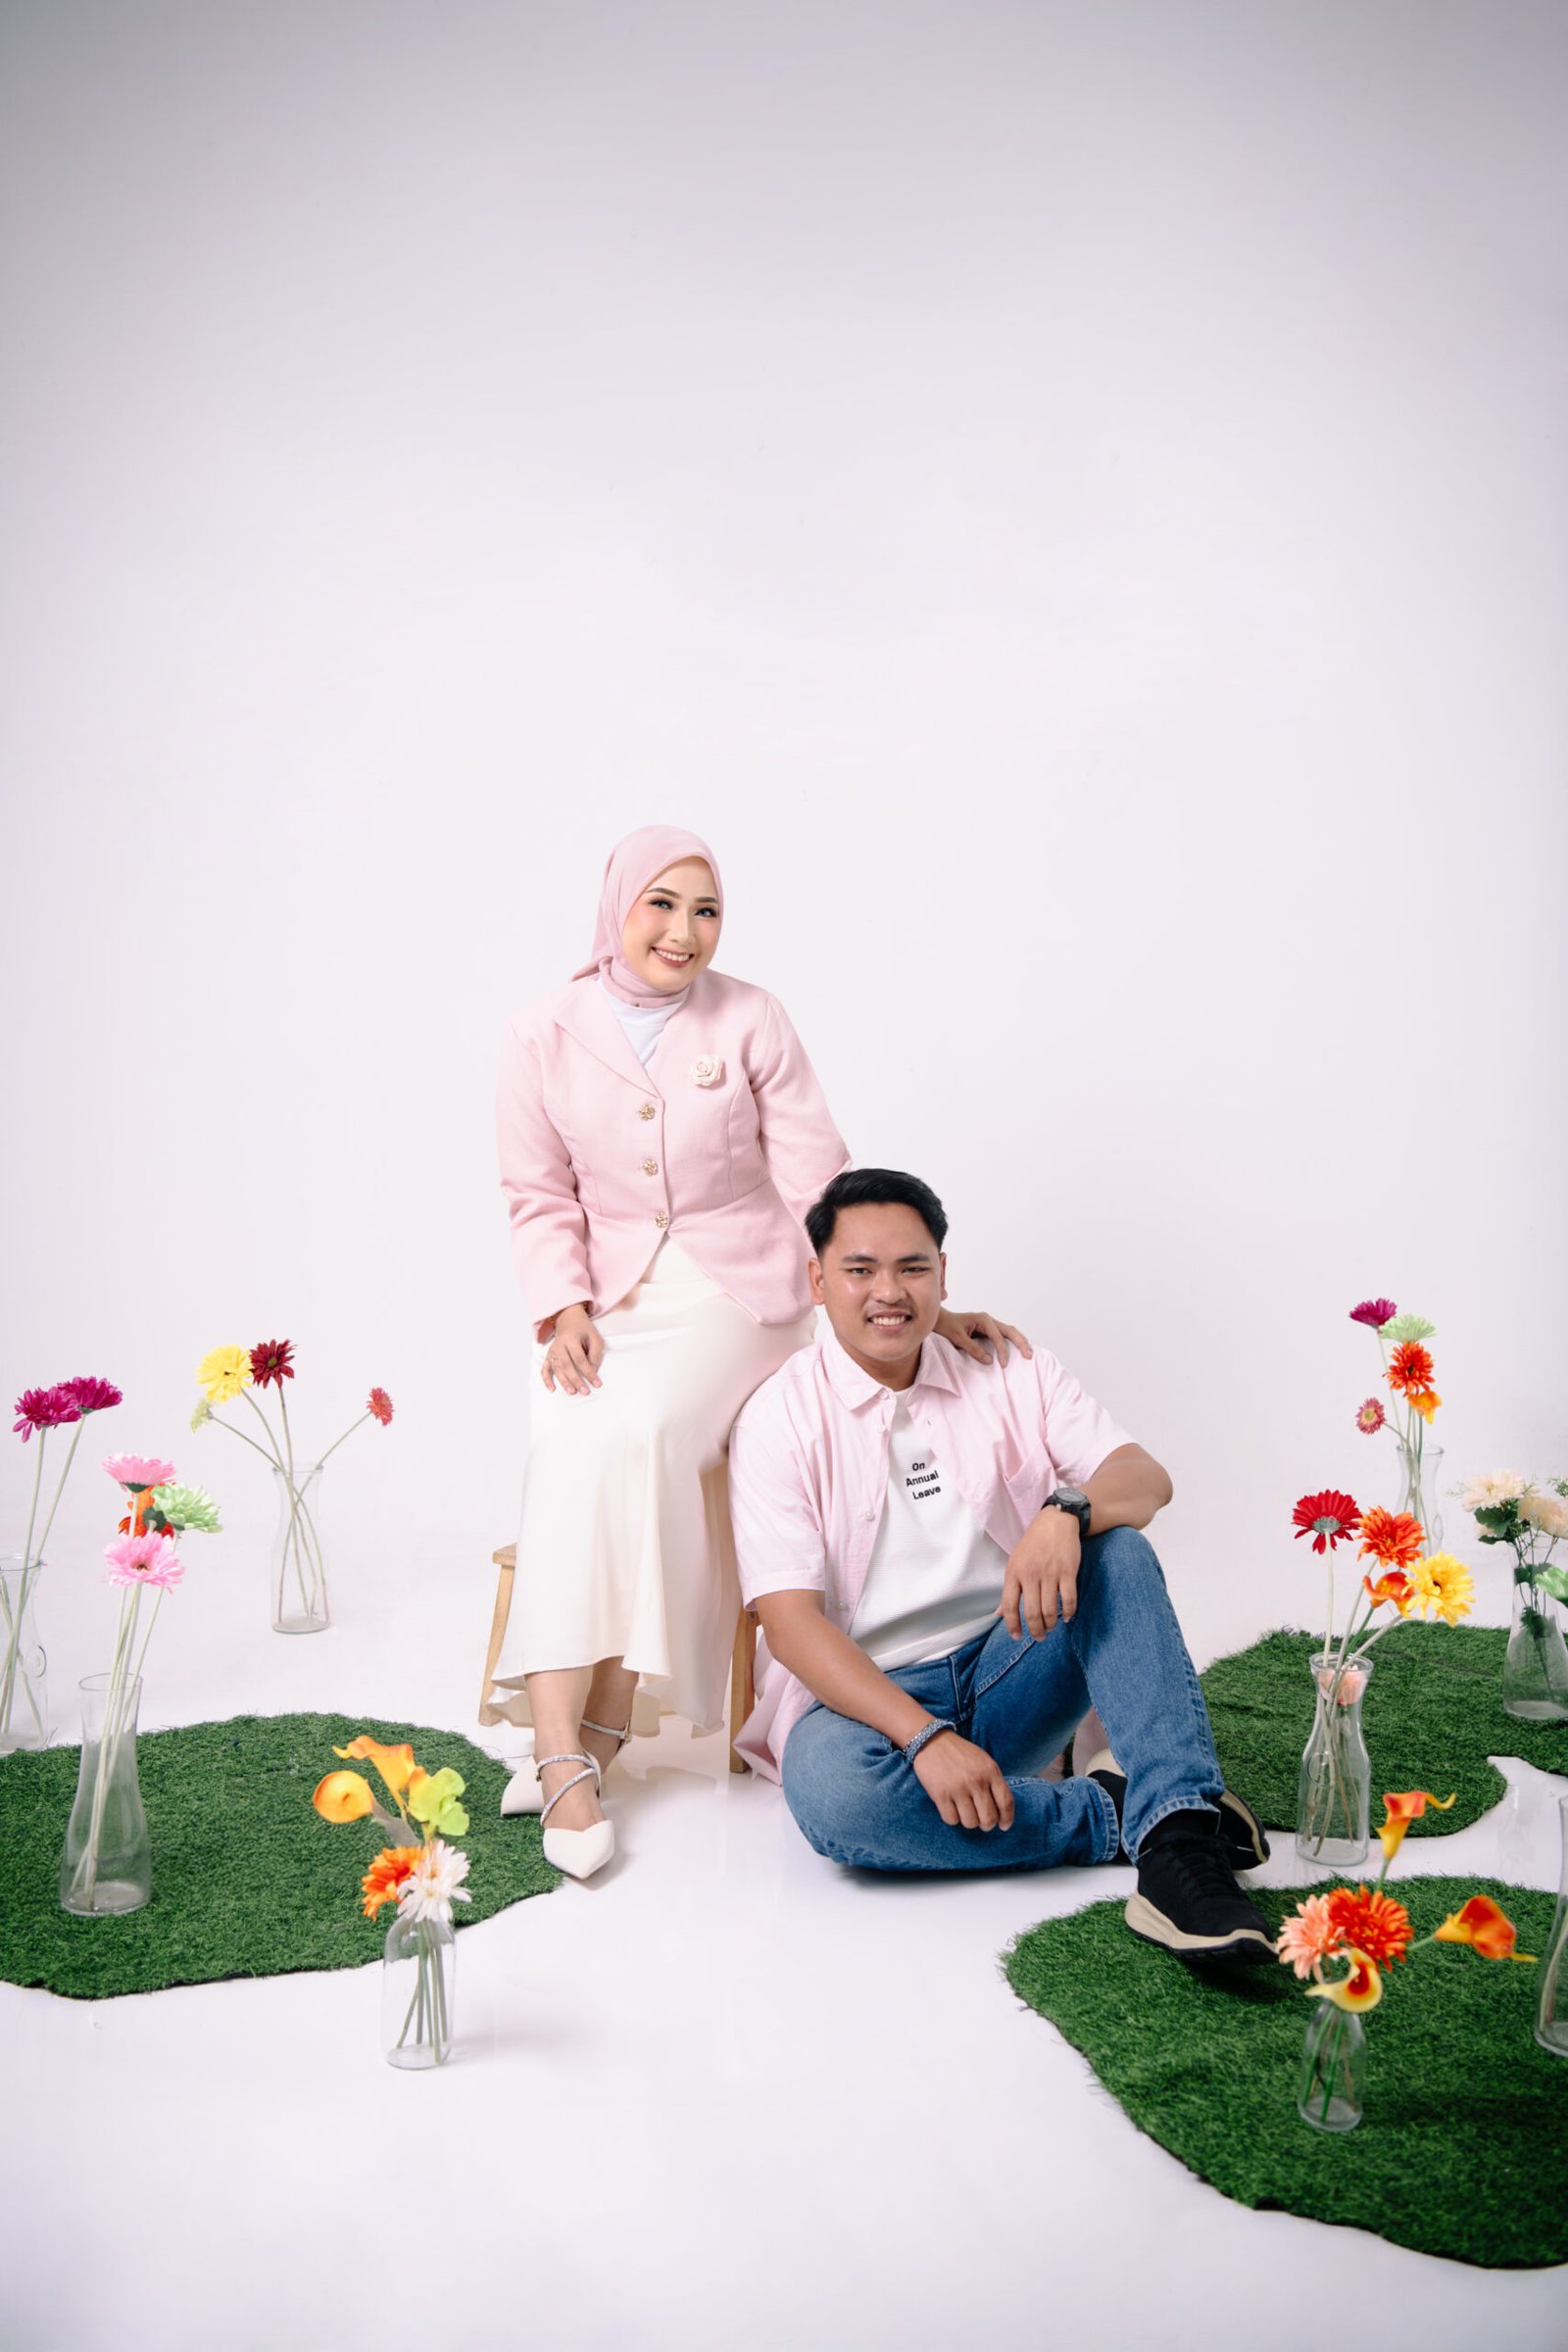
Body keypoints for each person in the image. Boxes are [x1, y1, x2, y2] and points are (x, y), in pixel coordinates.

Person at [490, 832, 1026, 1879]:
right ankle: (566, 1744)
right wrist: (562, 1308)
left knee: (647, 1429)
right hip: (605, 1299)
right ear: (615, 906)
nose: (683, 931)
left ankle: (603, 1725)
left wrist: (904, 1298)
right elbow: (536, 1192)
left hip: (741, 1292)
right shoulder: (539, 1033)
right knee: (566, 1432)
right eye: (660, 904)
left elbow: (819, 1175)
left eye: (706, 911)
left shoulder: (752, 1017)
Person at [727, 1167, 1275, 1964]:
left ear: (943, 1275)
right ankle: (1122, 1814)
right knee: (839, 1801)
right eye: (860, 1270)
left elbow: (1145, 1479)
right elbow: (790, 1626)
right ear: (818, 1281)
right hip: (867, 1706)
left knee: (1117, 1551)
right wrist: (923, 1739)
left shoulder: (1010, 1367)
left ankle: (1181, 1849)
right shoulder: (779, 1418)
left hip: (1012, 1664)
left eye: (912, 1267)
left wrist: (1067, 1510)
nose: (889, 1292)